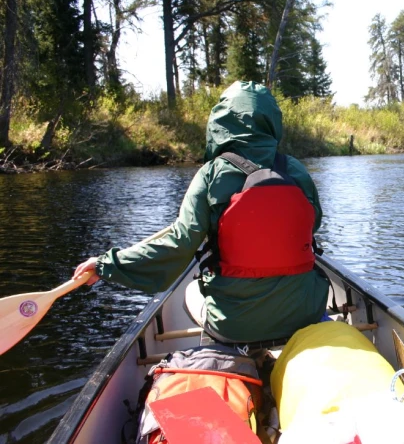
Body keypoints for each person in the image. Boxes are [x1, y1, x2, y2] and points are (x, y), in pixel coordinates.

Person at [72, 81, 329, 344]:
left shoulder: (211, 174)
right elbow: (313, 224)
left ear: (221, 119)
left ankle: (225, 350)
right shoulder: (296, 170)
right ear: (272, 120)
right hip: (304, 313)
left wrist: (106, 265)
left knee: (190, 290)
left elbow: (179, 245)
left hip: (235, 325)